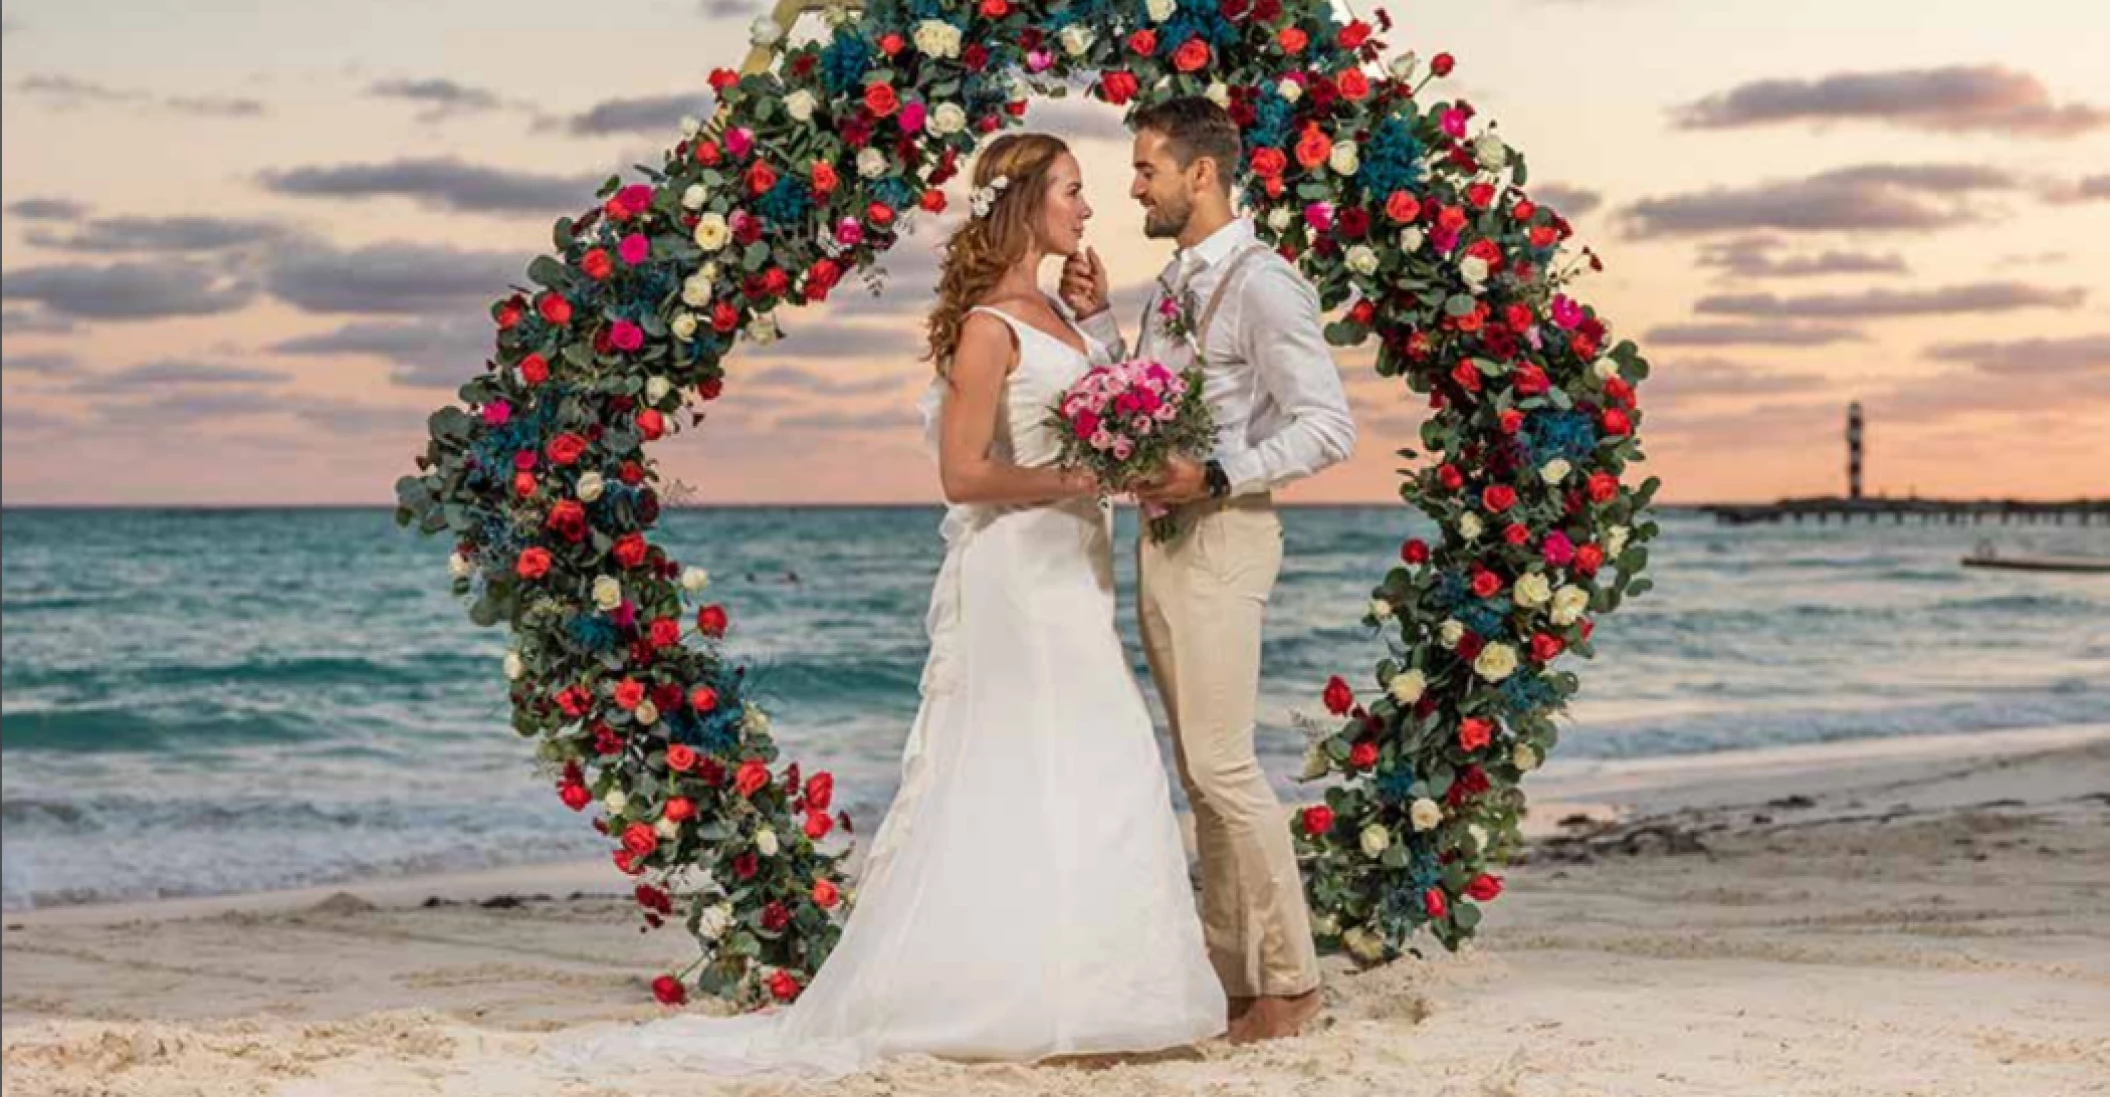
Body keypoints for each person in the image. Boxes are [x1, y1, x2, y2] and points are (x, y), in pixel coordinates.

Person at [546, 132, 1225, 1079]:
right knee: (1043, 755)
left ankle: (1102, 988)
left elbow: (1100, 401)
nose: (1087, 207)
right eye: (1072, 190)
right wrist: (1088, 471)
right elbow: (963, 473)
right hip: (1020, 575)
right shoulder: (992, 323)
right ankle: (1011, 992)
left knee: (1093, 757)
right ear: (1027, 202)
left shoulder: (1061, 316)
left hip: (1075, 566)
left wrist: (1102, 330)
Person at [1061, 96, 1357, 1044]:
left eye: (1146, 167)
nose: (1133, 185)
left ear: (1202, 174)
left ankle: (1296, 984)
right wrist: (1101, 324)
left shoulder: (1266, 283)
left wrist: (1222, 472)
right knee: (1201, 773)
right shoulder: (1175, 282)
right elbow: (1154, 409)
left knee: (1227, 768)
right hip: (1166, 538)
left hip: (1227, 533)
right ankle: (1241, 983)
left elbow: (1328, 425)